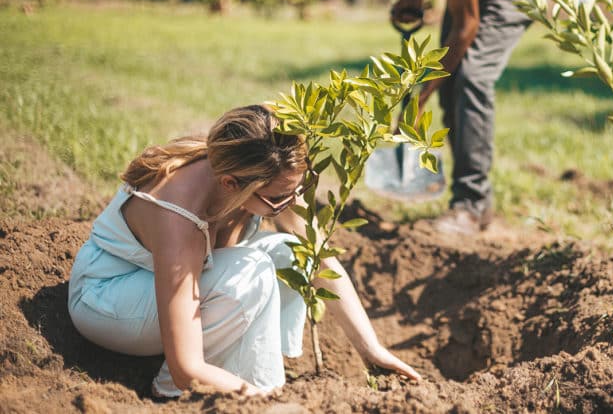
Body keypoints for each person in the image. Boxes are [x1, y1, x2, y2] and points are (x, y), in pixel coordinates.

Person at [67, 105, 420, 398]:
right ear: (231, 185)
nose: (293, 203)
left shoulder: (263, 162)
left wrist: (371, 350)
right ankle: (169, 395)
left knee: (291, 253)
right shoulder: (180, 217)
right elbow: (185, 367)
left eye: (298, 188)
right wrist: (262, 401)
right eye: (280, 197)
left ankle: (253, 372)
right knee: (251, 271)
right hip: (108, 301)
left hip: (154, 287)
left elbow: (317, 255)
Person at [391, 0, 546, 235]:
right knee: (449, 85)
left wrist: (419, 102)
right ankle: (474, 204)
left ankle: (470, 205)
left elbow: (466, 27)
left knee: (472, 77)